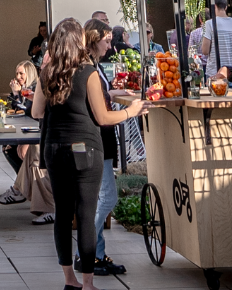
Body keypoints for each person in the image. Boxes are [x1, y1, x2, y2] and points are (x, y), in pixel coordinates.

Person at [33, 18, 148, 290]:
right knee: (85, 215)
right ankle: (87, 283)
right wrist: (131, 111)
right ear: (78, 43)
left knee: (62, 214)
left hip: (54, 149)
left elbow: (37, 113)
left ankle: (69, 280)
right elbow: (103, 116)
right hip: (84, 149)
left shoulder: (46, 72)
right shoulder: (88, 73)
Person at [81, 18, 126, 275]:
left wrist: (110, 93)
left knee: (101, 198)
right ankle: (84, 252)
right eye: (107, 41)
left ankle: (96, 254)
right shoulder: (89, 69)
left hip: (98, 139)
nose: (110, 46)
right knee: (108, 197)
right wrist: (131, 110)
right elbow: (98, 112)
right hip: (97, 138)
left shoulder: (93, 67)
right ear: (94, 40)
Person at [0, 60, 55, 223]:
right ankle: (21, 188)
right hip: (35, 129)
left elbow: (30, 111)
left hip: (41, 131)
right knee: (9, 148)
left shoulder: (37, 87)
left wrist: (18, 94)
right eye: (17, 73)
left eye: (21, 73)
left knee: (29, 153)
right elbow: (16, 108)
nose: (18, 77)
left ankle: (21, 189)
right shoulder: (34, 88)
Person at [198, 0, 232, 76]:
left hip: (214, 72)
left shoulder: (209, 24)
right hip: (231, 73)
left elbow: (205, 51)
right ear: (225, 7)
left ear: (214, 6)